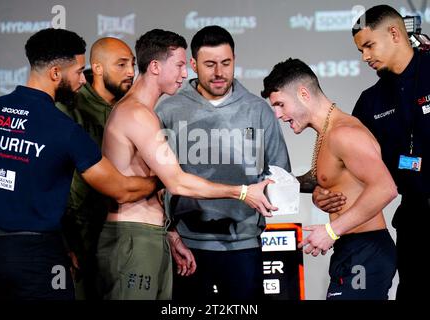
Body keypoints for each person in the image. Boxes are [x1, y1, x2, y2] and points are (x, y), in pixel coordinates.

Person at [97, 28, 276, 300]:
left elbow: (158, 185)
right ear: (155, 67)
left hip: (150, 236)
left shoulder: (144, 113)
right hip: (134, 238)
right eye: (180, 65)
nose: (184, 74)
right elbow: (176, 181)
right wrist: (241, 192)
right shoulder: (137, 114)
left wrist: (171, 233)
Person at [0, 28, 158, 300]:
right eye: (79, 71)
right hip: (37, 255)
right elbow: (122, 190)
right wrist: (163, 177)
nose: (83, 79)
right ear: (56, 73)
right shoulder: (64, 129)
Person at [156, 25, 291, 301]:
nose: (219, 72)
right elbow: (154, 181)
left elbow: (280, 173)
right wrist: (170, 232)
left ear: (234, 61)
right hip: (186, 245)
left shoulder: (258, 110)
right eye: (209, 64)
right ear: (193, 64)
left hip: (244, 246)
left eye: (225, 63)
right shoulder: (168, 110)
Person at [314, 4, 430, 300]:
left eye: (368, 45)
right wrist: (322, 190)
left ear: (394, 33)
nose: (365, 57)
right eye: (360, 50)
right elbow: (350, 169)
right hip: (415, 220)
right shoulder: (370, 101)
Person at [261, 58, 398, 300]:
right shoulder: (326, 132)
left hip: (366, 250)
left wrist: (331, 231)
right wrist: (285, 183)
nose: (278, 115)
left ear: (303, 93)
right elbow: (326, 178)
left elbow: (385, 188)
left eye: (281, 105)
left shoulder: (344, 133)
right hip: (352, 248)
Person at [55, 37, 136, 300]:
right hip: (82, 236)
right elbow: (55, 179)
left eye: (132, 64)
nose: (131, 72)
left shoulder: (135, 108)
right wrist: (67, 242)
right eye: (122, 64)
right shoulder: (69, 108)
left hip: (126, 234)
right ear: (97, 68)